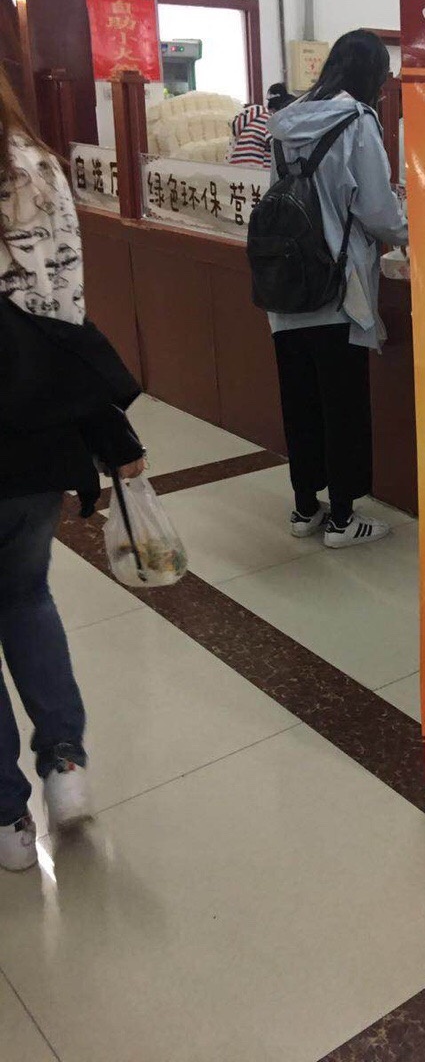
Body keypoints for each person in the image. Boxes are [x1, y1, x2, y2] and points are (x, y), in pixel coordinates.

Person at [0, 67, 145, 872]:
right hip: (33, 431)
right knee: (26, 595)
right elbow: (67, 311)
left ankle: (6, 822)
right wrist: (102, 427)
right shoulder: (38, 167)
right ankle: (64, 767)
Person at [267, 30, 408, 549]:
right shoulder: (358, 121)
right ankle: (345, 519)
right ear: (371, 75)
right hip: (338, 288)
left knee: (300, 401)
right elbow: (377, 211)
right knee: (343, 404)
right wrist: (413, 232)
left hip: (286, 288)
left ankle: (305, 508)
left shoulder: (286, 121)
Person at [227, 81, 297, 170]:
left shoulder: (252, 117)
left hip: (237, 166)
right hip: (255, 169)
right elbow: (278, 145)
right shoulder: (268, 120)